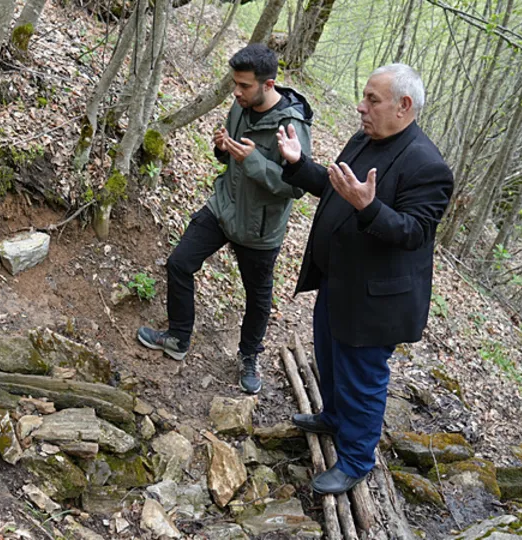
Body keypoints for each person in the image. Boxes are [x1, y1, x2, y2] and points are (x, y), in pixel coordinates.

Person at [275, 63, 453, 494]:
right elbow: (338, 185)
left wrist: (368, 208)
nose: (361, 107)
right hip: (339, 280)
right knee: (331, 359)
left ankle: (356, 459)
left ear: (403, 106)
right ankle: (334, 418)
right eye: (364, 97)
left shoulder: (428, 166)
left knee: (364, 377)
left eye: (372, 100)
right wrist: (300, 165)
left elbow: (412, 232)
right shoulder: (365, 138)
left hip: (377, 299)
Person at [137, 43, 313, 395]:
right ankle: (178, 337)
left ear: (268, 84)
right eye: (235, 83)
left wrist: (253, 161)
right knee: (180, 263)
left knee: (258, 299)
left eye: (244, 85)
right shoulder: (240, 105)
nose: (236, 91)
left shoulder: (291, 125)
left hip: (259, 227)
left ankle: (249, 356)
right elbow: (228, 159)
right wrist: (222, 148)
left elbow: (296, 186)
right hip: (222, 207)